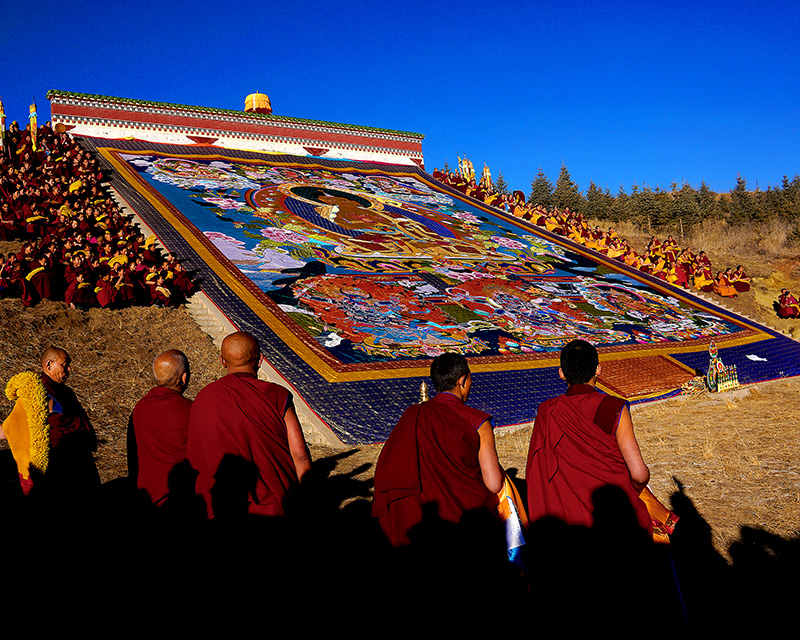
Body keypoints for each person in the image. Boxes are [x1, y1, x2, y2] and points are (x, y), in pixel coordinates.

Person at [371, 352, 505, 546]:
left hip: (417, 519)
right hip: (464, 520)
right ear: (462, 380)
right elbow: (493, 484)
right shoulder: (478, 421)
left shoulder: (413, 416)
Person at [526, 339, 651, 533]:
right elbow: (639, 474)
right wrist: (630, 491)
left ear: (561, 373)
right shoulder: (613, 408)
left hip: (567, 523)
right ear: (598, 369)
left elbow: (538, 472)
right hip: (615, 519)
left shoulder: (547, 411)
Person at [187, 331, 311, 517]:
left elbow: (197, 456)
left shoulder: (205, 397)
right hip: (274, 504)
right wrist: (310, 501)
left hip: (222, 506)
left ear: (222, 361)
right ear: (260, 360)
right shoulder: (275, 395)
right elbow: (300, 456)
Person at [128, 350, 192, 506]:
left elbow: (132, 453)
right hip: (181, 497)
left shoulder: (140, 408)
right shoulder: (191, 411)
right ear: (184, 377)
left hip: (146, 496)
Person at [39, 346, 100, 495]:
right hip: (61, 461)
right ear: (49, 365)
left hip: (77, 457)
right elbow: (58, 422)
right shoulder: (40, 391)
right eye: (64, 365)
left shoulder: (64, 391)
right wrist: (83, 426)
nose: (69, 370)